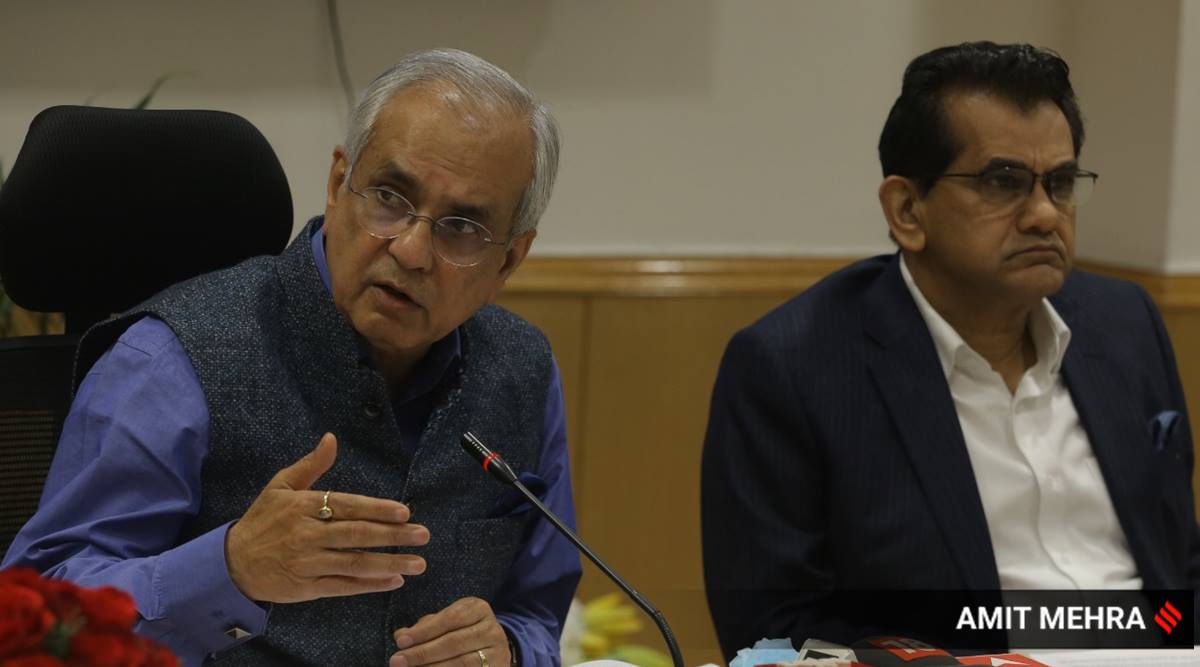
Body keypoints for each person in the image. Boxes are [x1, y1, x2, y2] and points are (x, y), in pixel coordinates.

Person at [3, 48, 580, 667]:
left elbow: (537, 608)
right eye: (389, 195)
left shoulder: (522, 369)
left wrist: (510, 650)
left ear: (510, 260)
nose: (412, 251)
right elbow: (39, 620)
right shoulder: (170, 359)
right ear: (338, 184)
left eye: (461, 227)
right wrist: (229, 570)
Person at [701, 41, 1200, 658]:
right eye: (1004, 182)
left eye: (1062, 183)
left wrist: (1168, 638)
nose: (1046, 214)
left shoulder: (1125, 325)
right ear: (908, 210)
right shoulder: (793, 367)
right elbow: (773, 636)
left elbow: (1178, 570)